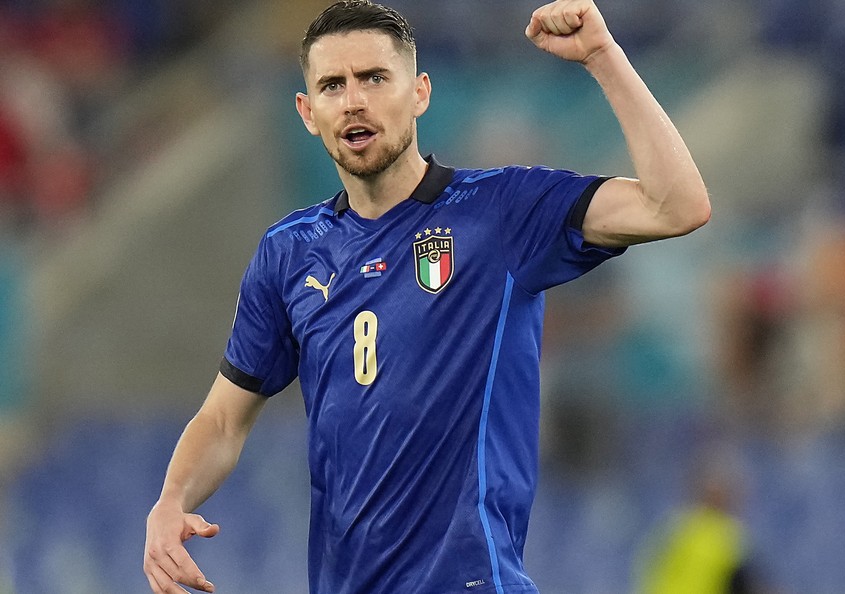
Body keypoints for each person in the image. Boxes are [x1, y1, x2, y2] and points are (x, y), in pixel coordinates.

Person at [143, 0, 710, 592]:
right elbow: (223, 420)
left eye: (374, 78)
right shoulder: (289, 253)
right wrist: (170, 501)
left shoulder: (500, 212)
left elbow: (677, 205)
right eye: (333, 85)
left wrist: (602, 56)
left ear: (420, 93)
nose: (354, 99)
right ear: (308, 113)